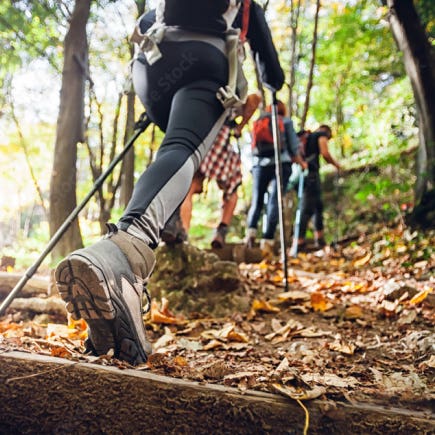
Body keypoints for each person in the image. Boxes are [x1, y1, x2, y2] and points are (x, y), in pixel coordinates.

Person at [54, 0, 285, 365]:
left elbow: (147, 21)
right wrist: (271, 81)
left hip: (151, 67)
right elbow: (272, 73)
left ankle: (158, 238)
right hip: (204, 61)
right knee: (183, 148)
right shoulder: (244, 7)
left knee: (172, 147)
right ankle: (126, 256)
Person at [162, 93, 262, 248]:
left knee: (189, 187)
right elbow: (255, 99)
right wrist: (240, 126)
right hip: (219, 141)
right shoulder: (230, 87)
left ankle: (182, 231)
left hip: (199, 138)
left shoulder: (197, 92)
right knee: (231, 188)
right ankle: (219, 231)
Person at [245, 100, 306, 254]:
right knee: (275, 200)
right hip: (281, 163)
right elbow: (293, 146)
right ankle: (267, 240)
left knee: (257, 201)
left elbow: (252, 147)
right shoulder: (286, 121)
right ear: (283, 109)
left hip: (259, 165)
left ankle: (250, 235)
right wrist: (301, 163)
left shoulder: (259, 121)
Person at [293, 124, 341, 250]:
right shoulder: (320, 135)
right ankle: (299, 242)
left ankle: (319, 239)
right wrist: (336, 165)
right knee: (306, 208)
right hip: (311, 175)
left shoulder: (306, 137)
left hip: (301, 175)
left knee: (317, 206)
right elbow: (325, 153)